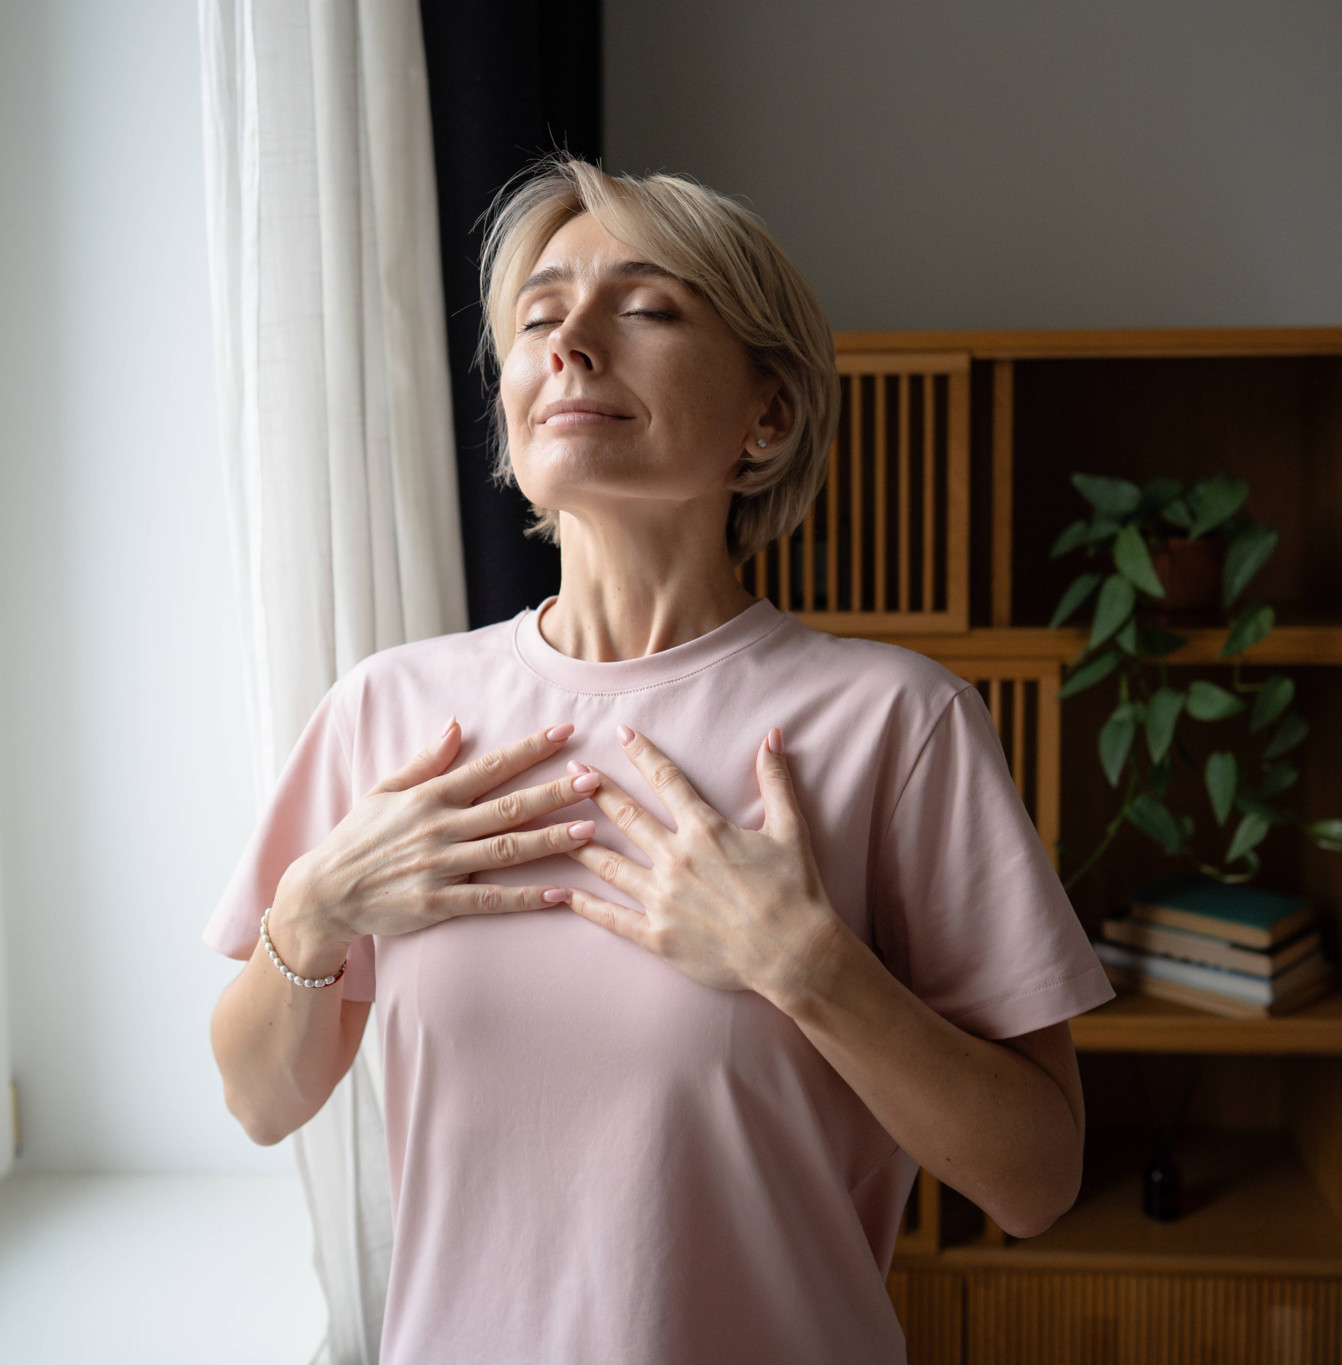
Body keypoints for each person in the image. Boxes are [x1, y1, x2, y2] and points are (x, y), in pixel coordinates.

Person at [206, 157, 1113, 1364]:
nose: (570, 344)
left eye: (644, 309)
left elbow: (1036, 1181)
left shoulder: (897, 725)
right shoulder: (388, 710)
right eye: (538, 318)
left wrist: (806, 967)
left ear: (766, 416)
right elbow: (258, 1101)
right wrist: (313, 909)